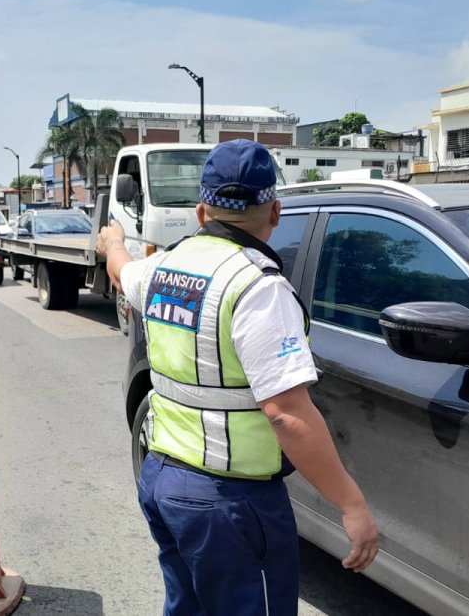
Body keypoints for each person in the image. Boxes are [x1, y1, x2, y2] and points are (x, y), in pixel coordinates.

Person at [97, 139, 379, 615]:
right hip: (231, 502)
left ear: (201, 211)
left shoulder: (161, 267)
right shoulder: (258, 288)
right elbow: (286, 414)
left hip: (163, 479)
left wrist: (114, 243)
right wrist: (352, 505)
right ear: (275, 212)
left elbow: (120, 271)